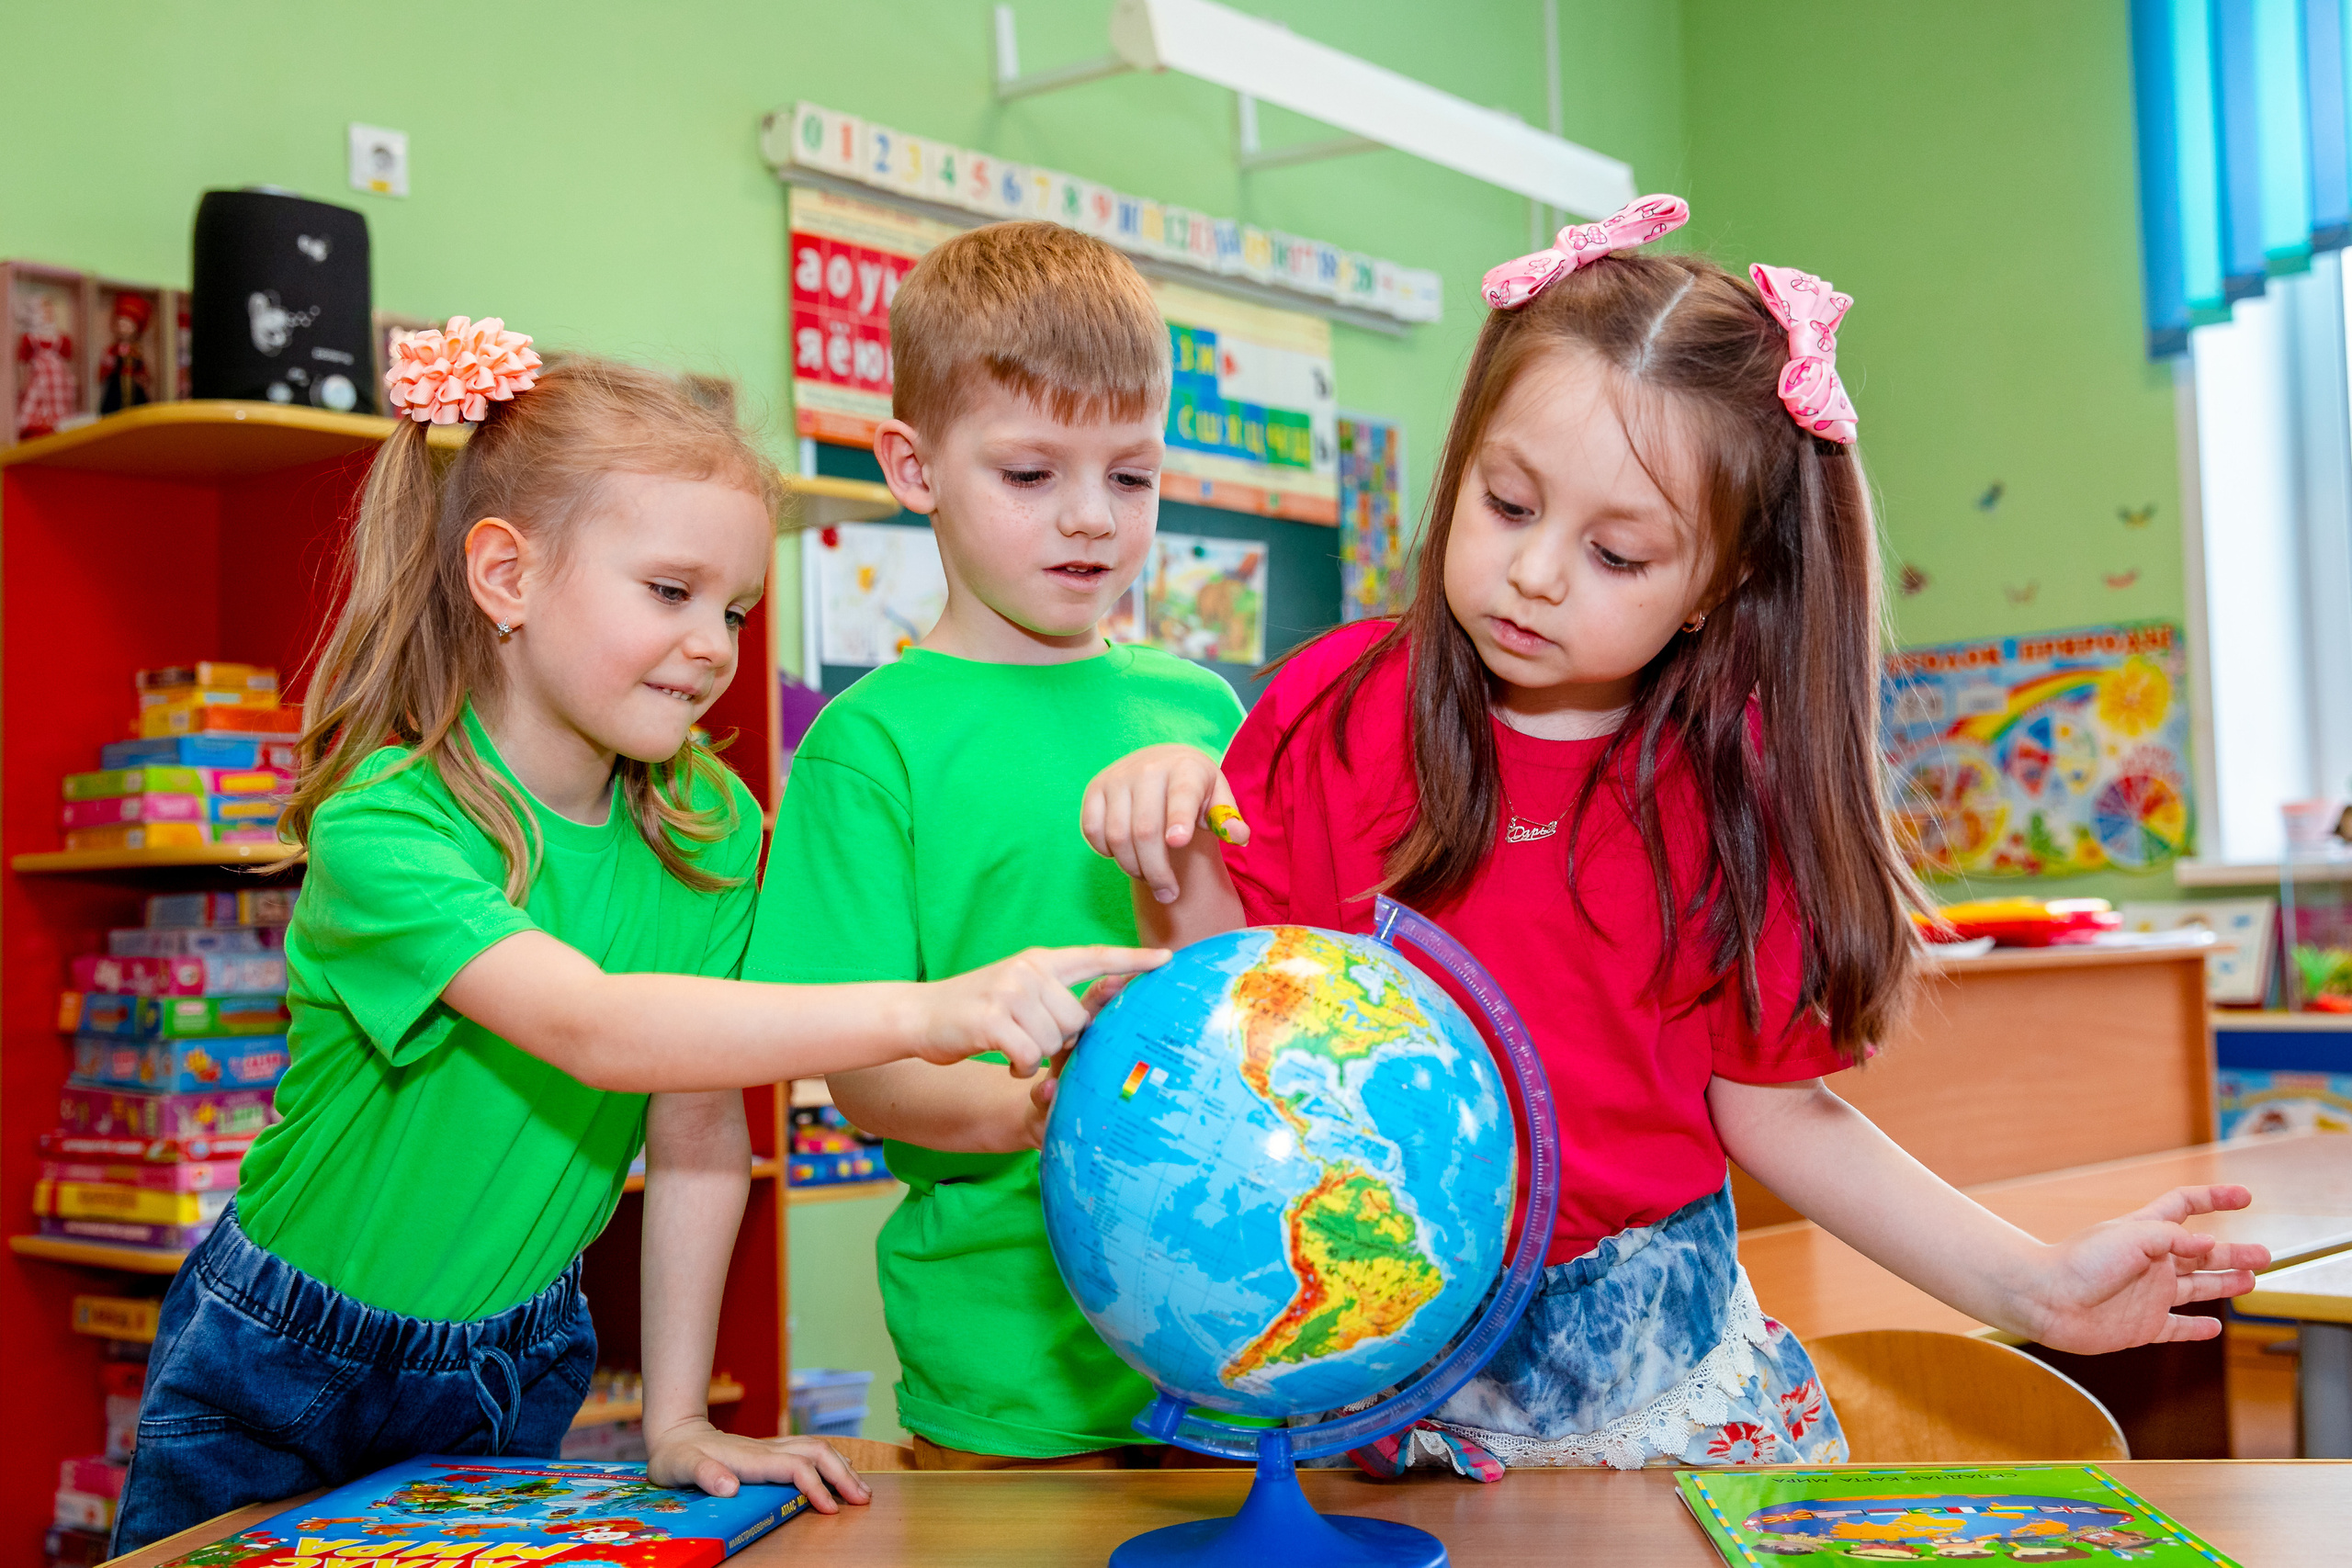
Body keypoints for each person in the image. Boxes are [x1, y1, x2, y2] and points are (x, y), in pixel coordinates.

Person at [1080, 197, 2270, 1473]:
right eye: (1508, 503)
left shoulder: (1729, 801)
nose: (1537, 575)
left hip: (1658, 1396)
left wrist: (2035, 1288)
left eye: (1618, 554)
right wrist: (1178, 846)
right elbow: (1231, 1012)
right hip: (1375, 1386)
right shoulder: (1337, 708)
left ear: (1717, 588)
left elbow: (1781, 1115)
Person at [112, 319, 1164, 1552]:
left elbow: (698, 1118)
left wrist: (675, 1418)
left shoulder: (707, 823)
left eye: (735, 607)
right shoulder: (391, 829)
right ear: (503, 577)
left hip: (518, 1352)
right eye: (671, 594)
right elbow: (596, 1030)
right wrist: (938, 1010)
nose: (713, 647)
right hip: (280, 1353)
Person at [745, 222, 1244, 1468]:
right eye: (1032, 475)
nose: (1091, 521)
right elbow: (864, 1077)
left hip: (1242, 1332)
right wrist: (1049, 1114)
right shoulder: (870, 747)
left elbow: (1257, 993)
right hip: (1006, 1371)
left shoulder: (1203, 713)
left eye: (1131, 477)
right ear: (914, 467)